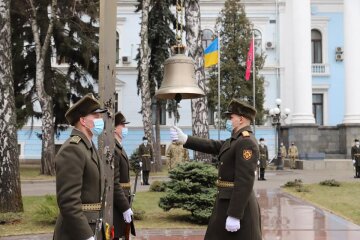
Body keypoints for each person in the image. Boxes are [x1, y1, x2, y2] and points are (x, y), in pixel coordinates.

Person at [171, 99, 262, 240]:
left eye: (231, 117)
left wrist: (235, 214)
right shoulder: (235, 140)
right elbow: (213, 145)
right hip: (225, 202)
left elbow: (245, 181)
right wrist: (186, 139)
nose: (228, 121)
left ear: (241, 119)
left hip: (237, 207)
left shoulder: (246, 142)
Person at [53, 94, 133, 240]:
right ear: (83, 121)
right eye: (95, 116)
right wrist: (85, 235)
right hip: (76, 233)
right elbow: (68, 202)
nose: (100, 120)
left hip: (92, 227)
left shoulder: (89, 147)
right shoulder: (73, 149)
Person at [113, 111, 135, 239]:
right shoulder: (114, 149)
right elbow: (114, 182)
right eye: (123, 125)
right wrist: (125, 206)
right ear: (115, 128)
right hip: (118, 203)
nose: (125, 128)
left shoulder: (119, 147)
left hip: (123, 198)